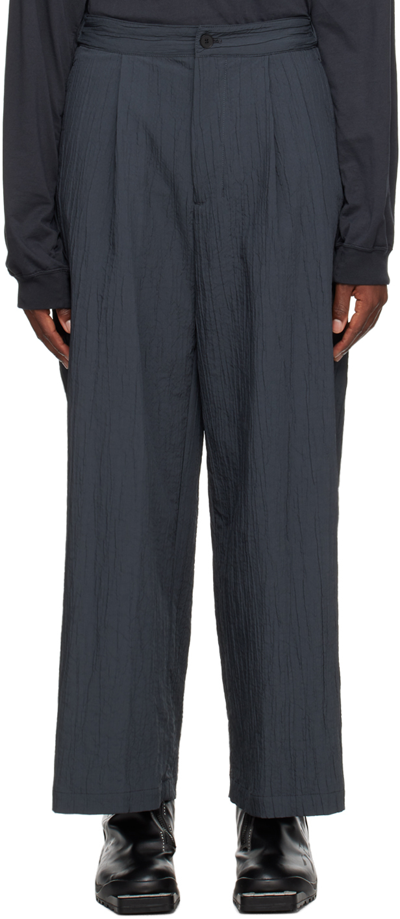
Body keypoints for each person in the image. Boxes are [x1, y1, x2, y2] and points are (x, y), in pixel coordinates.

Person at [2, 0, 397, 914]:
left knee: (285, 481)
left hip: (281, 91)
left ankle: (278, 804)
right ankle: (133, 806)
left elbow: (357, 14)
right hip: (115, 95)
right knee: (121, 484)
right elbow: (40, 19)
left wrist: (365, 231)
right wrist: (34, 242)